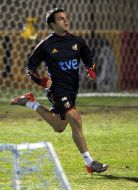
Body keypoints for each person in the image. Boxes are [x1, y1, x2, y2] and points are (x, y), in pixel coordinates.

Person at [10, 8, 108, 174]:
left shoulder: (77, 41)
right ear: (52, 24)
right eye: (61, 19)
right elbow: (30, 66)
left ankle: (30, 102)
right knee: (75, 119)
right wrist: (40, 80)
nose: (66, 21)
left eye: (66, 18)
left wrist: (90, 68)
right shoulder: (46, 45)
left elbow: (87, 55)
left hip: (71, 90)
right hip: (57, 90)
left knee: (59, 126)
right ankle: (89, 162)